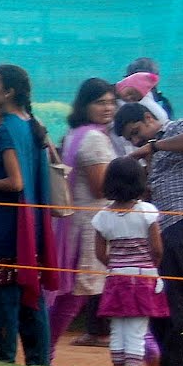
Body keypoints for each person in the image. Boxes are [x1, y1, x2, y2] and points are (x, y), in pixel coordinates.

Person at [0, 64, 56, 366]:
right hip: (31, 224)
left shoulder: (6, 129)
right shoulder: (30, 123)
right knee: (31, 297)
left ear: (8, 92)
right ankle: (40, 363)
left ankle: (4, 360)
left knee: (4, 298)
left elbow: (15, 183)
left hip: (8, 226)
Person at [116, 101, 183, 366]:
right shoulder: (153, 153)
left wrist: (154, 147)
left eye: (136, 132)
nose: (136, 141)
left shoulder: (177, 127)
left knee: (176, 292)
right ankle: (170, 364)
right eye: (131, 138)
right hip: (165, 226)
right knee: (162, 292)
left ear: (148, 117)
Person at [48, 78, 119, 350]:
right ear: (85, 105)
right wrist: (130, 180)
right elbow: (100, 188)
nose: (108, 108)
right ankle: (45, 352)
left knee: (79, 294)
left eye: (111, 102)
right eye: (100, 102)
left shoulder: (75, 133)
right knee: (77, 295)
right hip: (92, 227)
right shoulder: (94, 138)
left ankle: (44, 351)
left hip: (80, 223)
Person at [91, 157, 167, 366]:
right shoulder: (147, 211)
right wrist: (151, 266)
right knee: (137, 330)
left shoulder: (102, 216)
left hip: (116, 278)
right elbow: (157, 249)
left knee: (117, 329)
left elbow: (99, 253)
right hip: (143, 277)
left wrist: (116, 265)